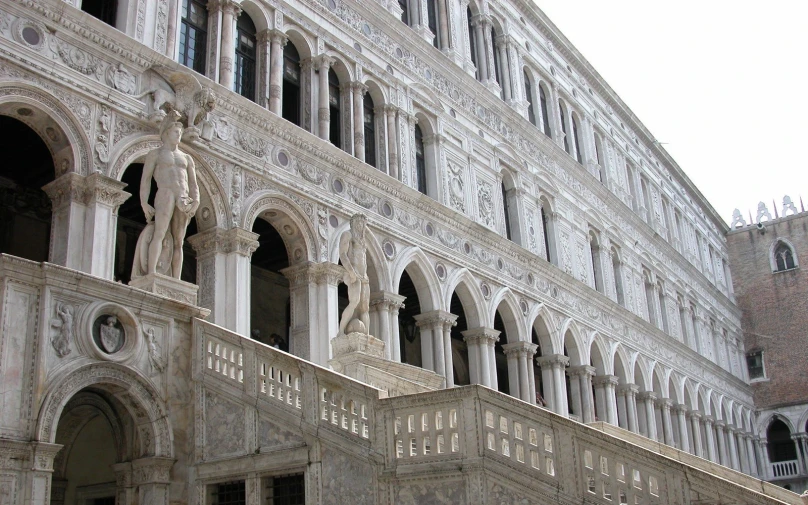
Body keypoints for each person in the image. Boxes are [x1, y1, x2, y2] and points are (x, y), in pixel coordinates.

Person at [140, 111, 200, 278]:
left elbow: (193, 184)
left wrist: (196, 201)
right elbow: (146, 180)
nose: (179, 135)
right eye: (176, 132)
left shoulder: (187, 158)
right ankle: (152, 272)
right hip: (165, 193)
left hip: (183, 197)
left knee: (179, 241)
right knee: (160, 232)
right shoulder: (156, 154)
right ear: (166, 133)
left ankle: (176, 278)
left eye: (180, 133)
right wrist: (144, 203)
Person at [338, 214, 370, 335]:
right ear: (353, 223)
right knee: (354, 302)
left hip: (364, 276)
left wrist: (365, 275)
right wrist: (351, 272)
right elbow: (343, 254)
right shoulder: (348, 235)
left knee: (365, 308)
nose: (361, 225)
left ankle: (366, 334)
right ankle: (341, 331)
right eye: (358, 222)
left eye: (363, 223)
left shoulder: (362, 241)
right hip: (353, 274)